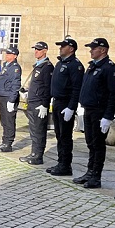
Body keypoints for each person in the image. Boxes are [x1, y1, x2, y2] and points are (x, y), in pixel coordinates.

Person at [73, 38, 115, 189]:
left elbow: (114, 94)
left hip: (100, 111)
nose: (90, 50)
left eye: (94, 48)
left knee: (98, 144)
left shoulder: (109, 68)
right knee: (90, 142)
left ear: (103, 50)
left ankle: (96, 176)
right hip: (89, 109)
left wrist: (108, 116)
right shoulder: (92, 66)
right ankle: (90, 171)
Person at [46, 37, 84, 176]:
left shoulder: (75, 65)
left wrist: (71, 107)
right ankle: (60, 161)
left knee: (65, 136)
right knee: (59, 135)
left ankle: (66, 165)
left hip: (66, 104)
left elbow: (76, 88)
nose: (60, 48)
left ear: (71, 49)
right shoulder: (61, 63)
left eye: (63, 46)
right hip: (57, 102)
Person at [19, 41, 54, 165]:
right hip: (33, 102)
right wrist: (27, 92)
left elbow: (47, 87)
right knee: (33, 130)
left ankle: (38, 155)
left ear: (45, 51)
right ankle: (33, 153)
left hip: (40, 104)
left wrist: (45, 104)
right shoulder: (38, 66)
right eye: (35, 49)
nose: (36, 52)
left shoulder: (47, 67)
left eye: (38, 50)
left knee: (39, 130)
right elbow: (37, 86)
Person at [0, 46, 22, 152]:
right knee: (4, 121)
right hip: (2, 95)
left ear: (14, 56)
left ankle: (8, 143)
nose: (7, 55)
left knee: (9, 120)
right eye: (7, 53)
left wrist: (12, 100)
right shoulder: (6, 66)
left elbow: (15, 85)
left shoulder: (15, 68)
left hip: (8, 96)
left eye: (9, 54)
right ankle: (4, 141)